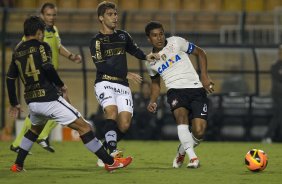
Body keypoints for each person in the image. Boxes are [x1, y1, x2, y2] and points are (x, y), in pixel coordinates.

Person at [7, 16, 132, 172]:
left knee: (34, 130)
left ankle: (17, 164)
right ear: (39, 32)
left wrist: (14, 102)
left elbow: (10, 78)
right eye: (43, 32)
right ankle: (110, 162)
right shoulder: (42, 46)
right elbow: (47, 67)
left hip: (32, 101)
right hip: (49, 99)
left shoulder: (17, 51)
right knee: (85, 127)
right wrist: (61, 85)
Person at [89, 1, 157, 166]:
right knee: (111, 112)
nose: (114, 17)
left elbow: (134, 50)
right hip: (104, 82)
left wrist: (146, 56)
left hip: (122, 86)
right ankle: (112, 154)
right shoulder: (96, 41)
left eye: (115, 14)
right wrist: (125, 73)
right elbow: (101, 65)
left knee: (125, 125)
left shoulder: (123, 35)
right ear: (101, 18)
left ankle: (103, 155)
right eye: (110, 14)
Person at [10, 2, 82, 154]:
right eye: (48, 15)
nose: (51, 18)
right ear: (42, 15)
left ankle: (19, 143)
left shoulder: (54, 30)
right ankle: (41, 136)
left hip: (51, 74)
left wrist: (71, 56)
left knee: (37, 114)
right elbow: (23, 48)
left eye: (54, 14)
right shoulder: (34, 34)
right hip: (42, 76)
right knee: (63, 106)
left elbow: (58, 46)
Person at [145, 21, 214, 168]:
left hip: (196, 89)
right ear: (148, 39)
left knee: (199, 132)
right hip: (175, 91)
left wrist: (205, 77)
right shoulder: (150, 61)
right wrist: (153, 101)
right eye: (155, 35)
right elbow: (156, 84)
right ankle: (193, 158)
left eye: (161, 34)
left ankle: (182, 150)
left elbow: (201, 53)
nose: (159, 38)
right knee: (181, 118)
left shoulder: (176, 42)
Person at [263, 45, 282, 143]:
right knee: (278, 114)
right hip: (278, 94)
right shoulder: (275, 65)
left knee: (279, 115)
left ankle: (269, 136)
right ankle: (267, 136)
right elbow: (278, 80)